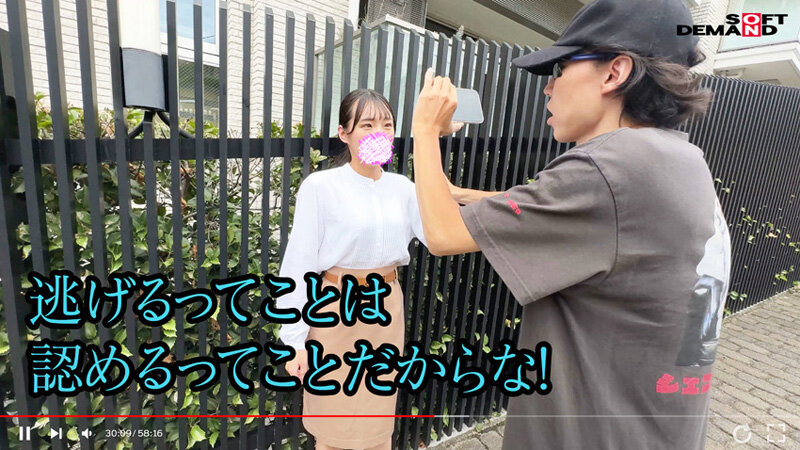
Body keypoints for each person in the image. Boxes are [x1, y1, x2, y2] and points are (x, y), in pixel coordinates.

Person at [410, 0, 731, 449]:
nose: (548, 88)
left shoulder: (608, 166)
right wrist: (457, 192)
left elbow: (442, 235)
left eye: (560, 69)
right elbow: (550, 211)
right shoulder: (679, 159)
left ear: (614, 73)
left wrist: (424, 129)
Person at [278, 88, 427, 450]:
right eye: (367, 125)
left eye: (387, 125)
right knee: (334, 418)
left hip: (385, 309)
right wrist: (295, 342)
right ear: (344, 133)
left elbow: (437, 236)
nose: (379, 133)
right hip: (336, 309)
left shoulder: (403, 189)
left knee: (377, 415)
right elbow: (298, 263)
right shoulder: (321, 187)